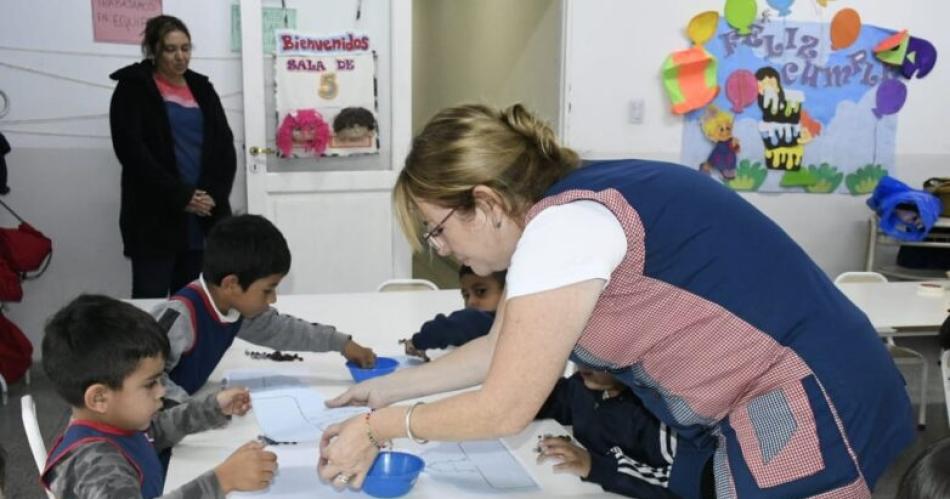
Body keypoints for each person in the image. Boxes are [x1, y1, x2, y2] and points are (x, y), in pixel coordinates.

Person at [317, 103, 914, 497]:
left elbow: (505, 406)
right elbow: (500, 350)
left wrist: (378, 428)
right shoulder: (568, 213)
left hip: (807, 400)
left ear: (488, 202)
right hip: (810, 383)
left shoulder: (562, 228)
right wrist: (387, 388)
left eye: (437, 227)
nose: (441, 247)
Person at [40, 294, 277, 498]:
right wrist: (223, 480)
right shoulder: (97, 466)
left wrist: (213, 408)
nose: (162, 391)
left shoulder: (115, 422)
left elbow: (156, 431)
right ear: (99, 398)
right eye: (150, 384)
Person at [152, 214, 376, 402]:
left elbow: (281, 330)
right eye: (268, 290)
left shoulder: (234, 307)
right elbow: (142, 380)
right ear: (232, 284)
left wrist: (341, 343)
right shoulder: (181, 316)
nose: (273, 300)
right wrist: (198, 412)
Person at [110, 15, 237, 298]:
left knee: (192, 304)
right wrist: (181, 196)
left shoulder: (201, 87)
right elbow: (132, 152)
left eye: (186, 48)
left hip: (203, 214)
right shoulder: (133, 87)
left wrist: (211, 196)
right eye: (171, 49)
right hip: (156, 216)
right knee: (151, 303)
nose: (180, 57)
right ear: (153, 50)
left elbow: (224, 147)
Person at [536, 365, 714, 498]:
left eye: (595, 356)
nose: (583, 364)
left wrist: (595, 466)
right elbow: (556, 401)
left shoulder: (658, 415)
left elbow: (681, 487)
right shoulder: (583, 384)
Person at [400, 265, 505, 361]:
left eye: (481, 291)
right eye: (466, 295)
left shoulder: (487, 321)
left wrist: (416, 341)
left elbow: (448, 327)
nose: (471, 302)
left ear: (506, 291)